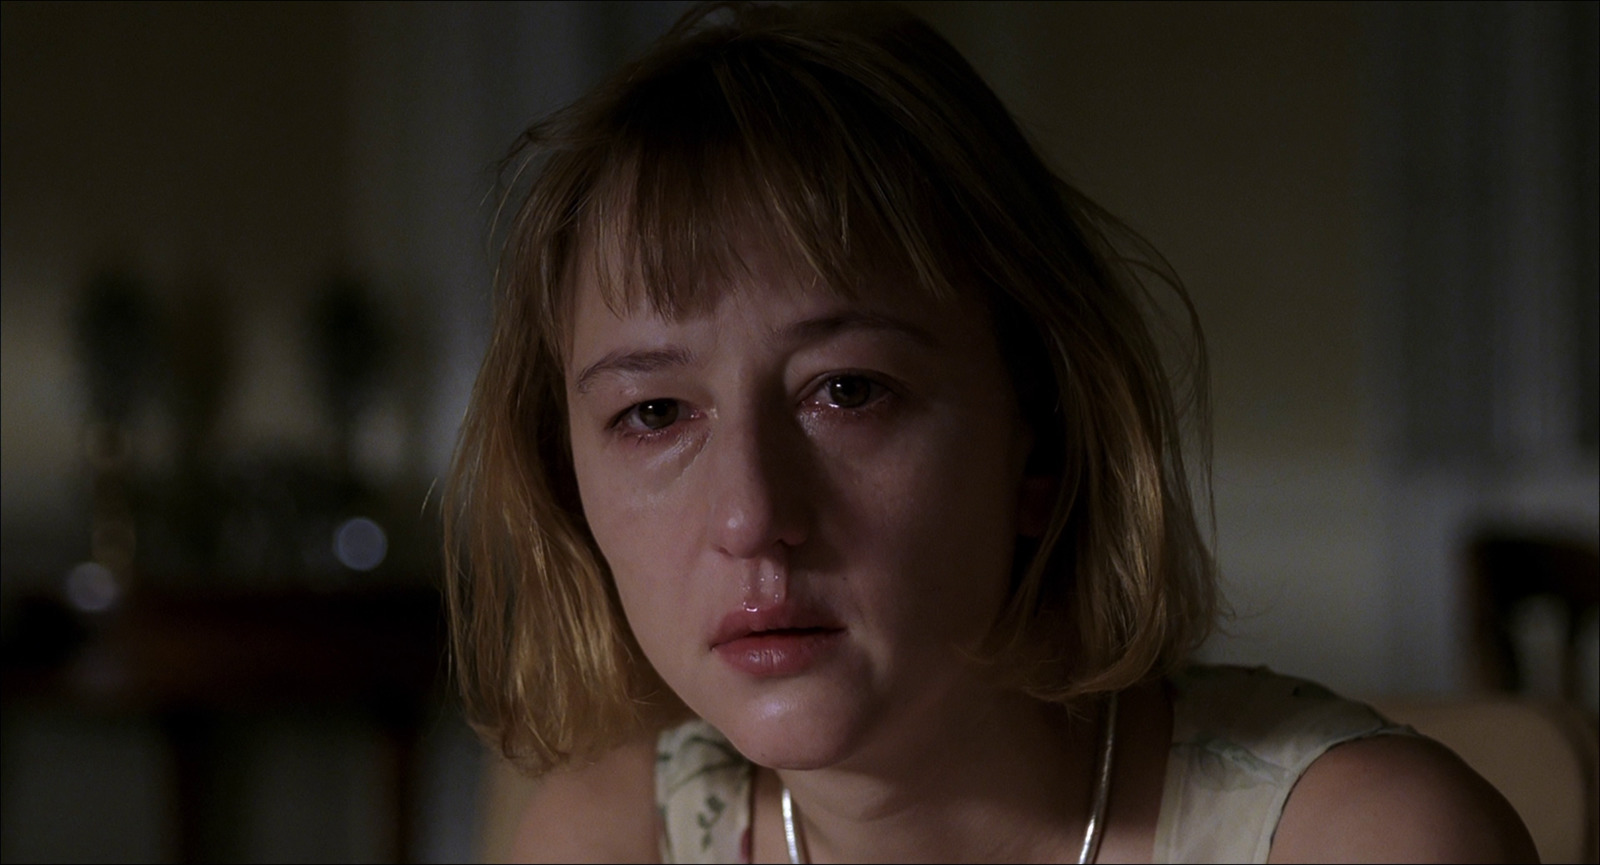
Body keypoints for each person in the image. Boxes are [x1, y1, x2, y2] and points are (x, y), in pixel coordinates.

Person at [444, 3, 1538, 862]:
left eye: (847, 390)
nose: (750, 516)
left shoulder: (1366, 844)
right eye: (652, 413)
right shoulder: (607, 841)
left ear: (1040, 437)